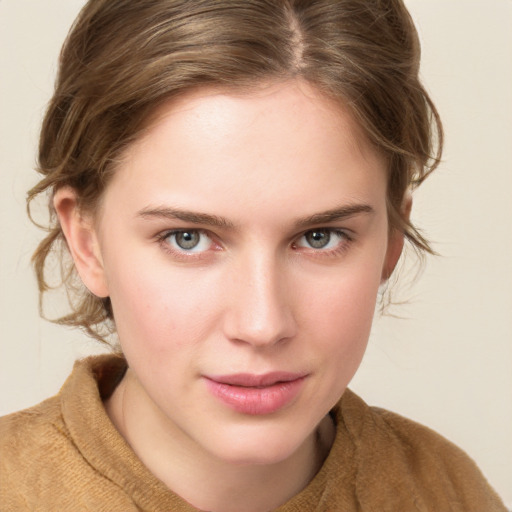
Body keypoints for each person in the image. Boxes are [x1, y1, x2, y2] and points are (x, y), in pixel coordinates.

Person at [0, 1, 508, 510]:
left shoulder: (448, 493)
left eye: (320, 237)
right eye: (188, 238)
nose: (262, 325)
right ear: (87, 242)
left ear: (391, 240)